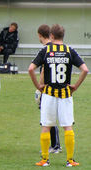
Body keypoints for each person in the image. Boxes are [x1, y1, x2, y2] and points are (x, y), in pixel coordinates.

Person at [28, 24, 88, 167]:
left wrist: (38, 86)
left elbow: (31, 68)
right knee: (67, 126)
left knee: (46, 126)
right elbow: (85, 70)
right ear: (63, 36)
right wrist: (75, 86)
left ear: (52, 36)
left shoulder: (45, 50)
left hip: (48, 94)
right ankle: (70, 160)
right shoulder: (69, 51)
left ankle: (44, 160)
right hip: (65, 95)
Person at [37, 24, 61, 154]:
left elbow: (43, 71)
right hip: (58, 85)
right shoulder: (57, 48)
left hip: (48, 88)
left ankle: (55, 145)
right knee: (51, 116)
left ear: (40, 35)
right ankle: (55, 145)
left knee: (48, 117)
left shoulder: (46, 50)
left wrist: (39, 88)